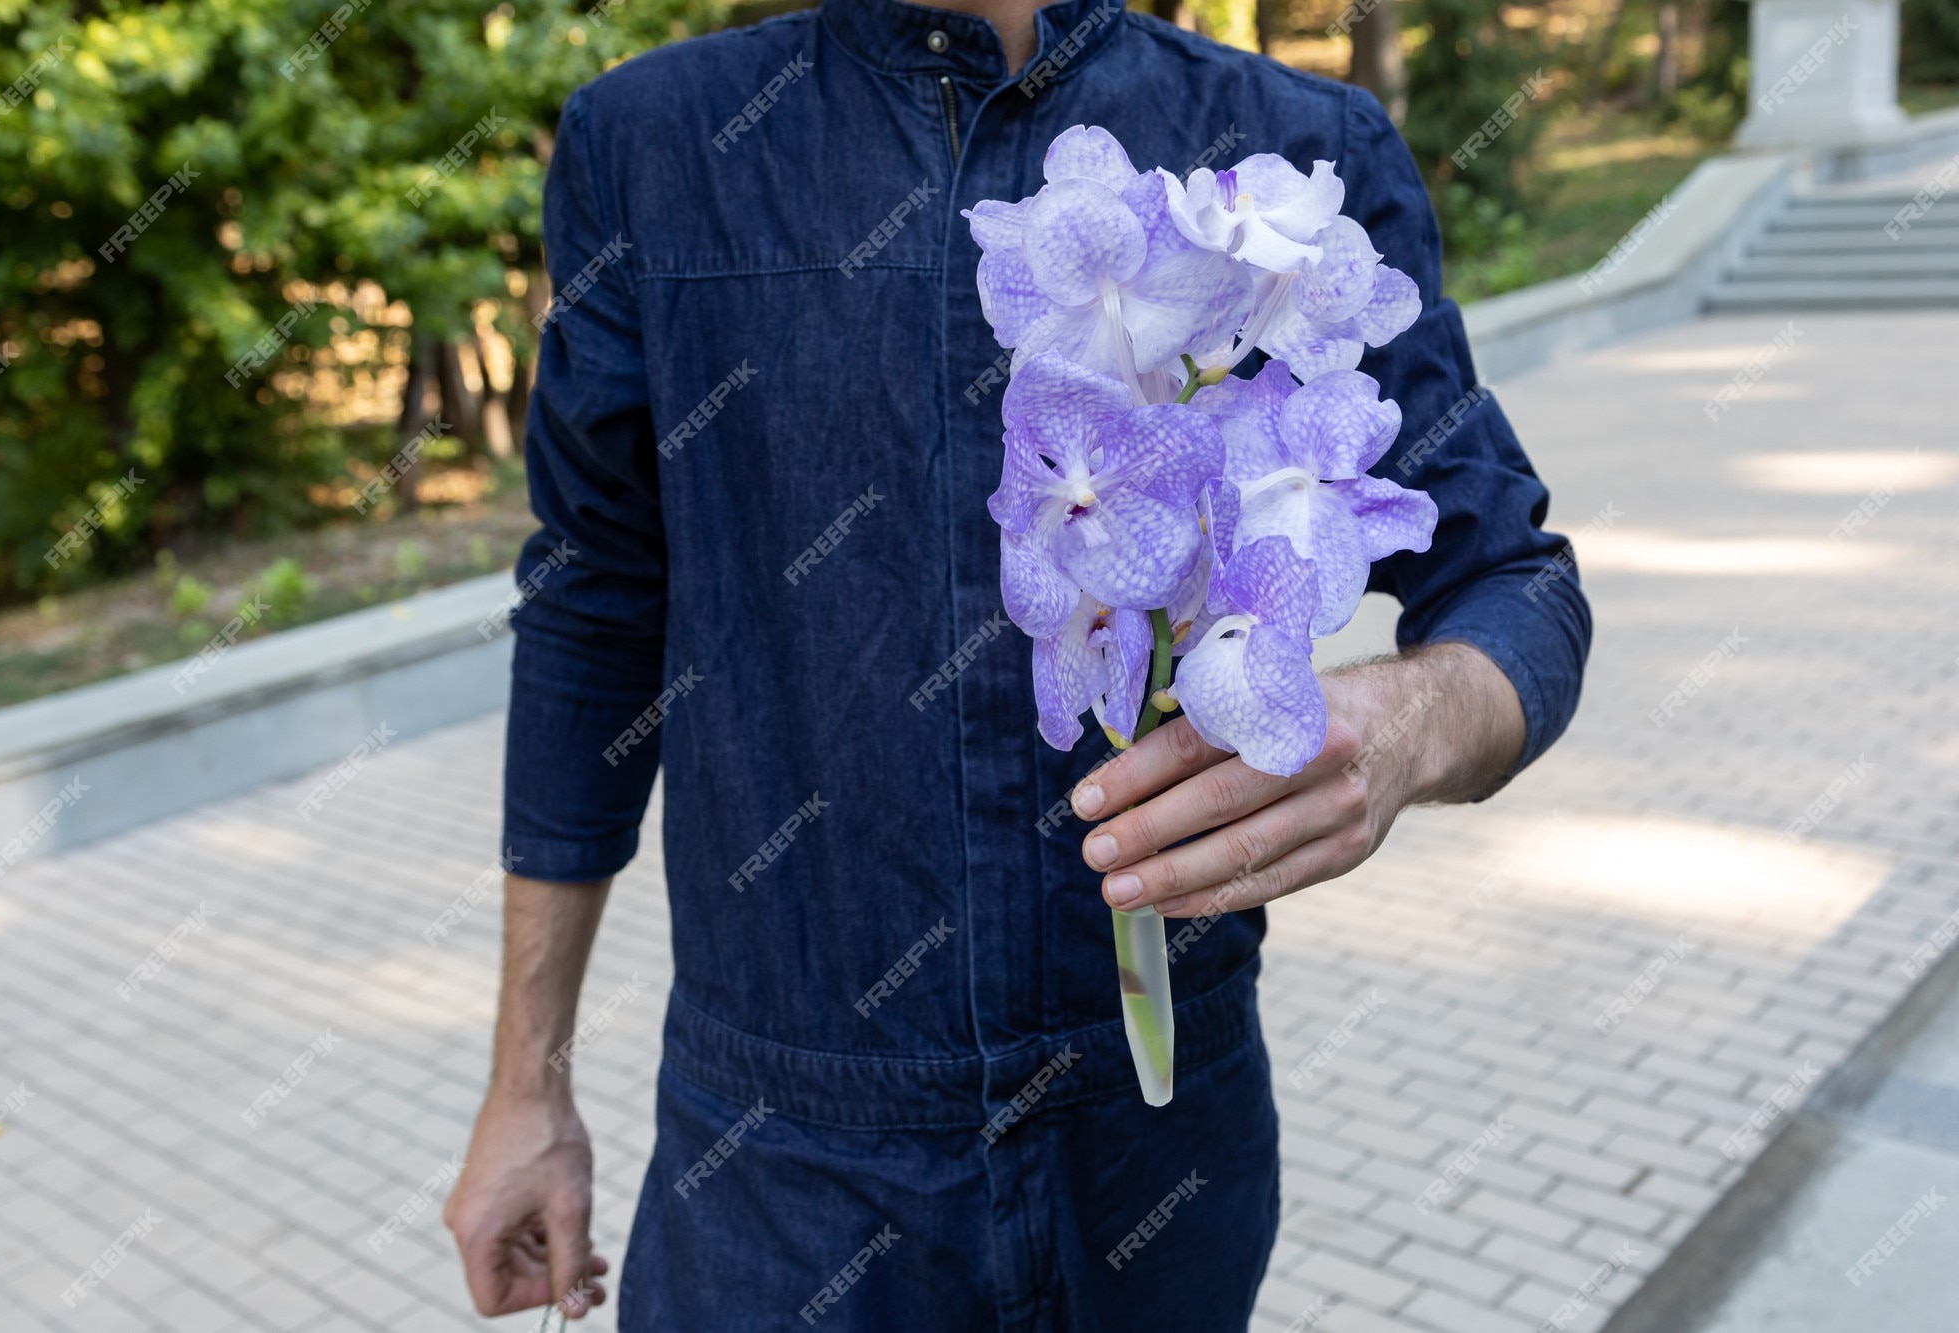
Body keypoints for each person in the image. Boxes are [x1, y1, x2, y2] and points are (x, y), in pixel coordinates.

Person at [443, 0, 1592, 1328]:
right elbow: (594, 615)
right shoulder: (658, 147)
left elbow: (1515, 579)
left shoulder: (1281, 157)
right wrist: (525, 1082)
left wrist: (1406, 727)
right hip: (780, 1165)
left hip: (1153, 1146)